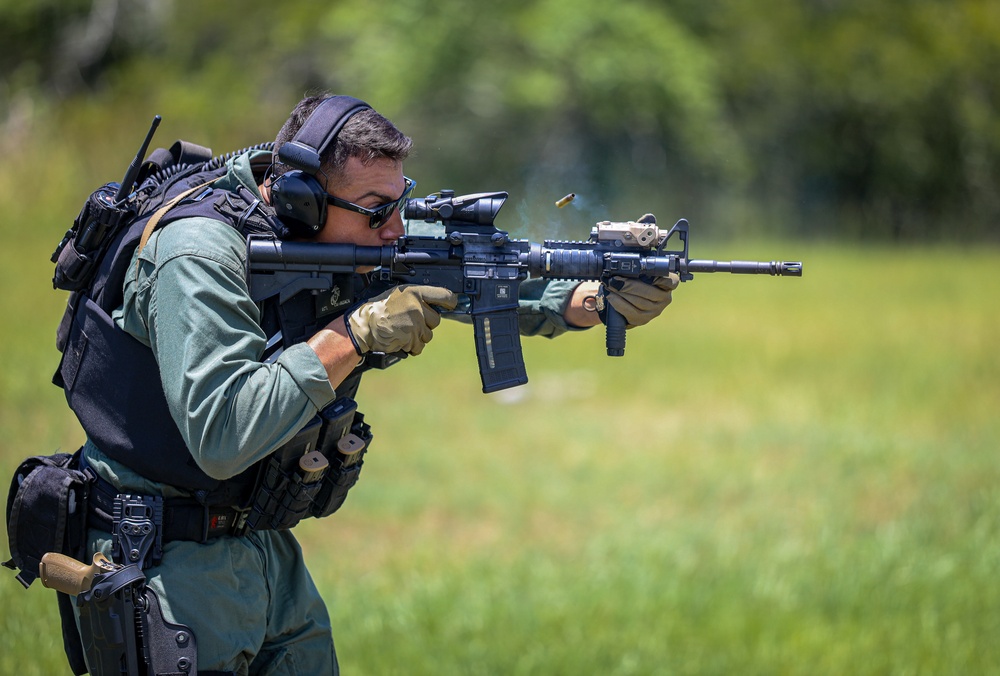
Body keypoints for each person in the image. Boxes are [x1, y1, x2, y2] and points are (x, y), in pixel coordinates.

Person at [67, 93, 678, 674]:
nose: (396, 227)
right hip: (159, 550)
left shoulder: (348, 226)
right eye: (378, 211)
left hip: (258, 538)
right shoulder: (196, 254)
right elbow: (223, 433)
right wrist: (353, 335)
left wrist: (586, 297)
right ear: (303, 200)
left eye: (400, 199)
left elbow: (467, 270)